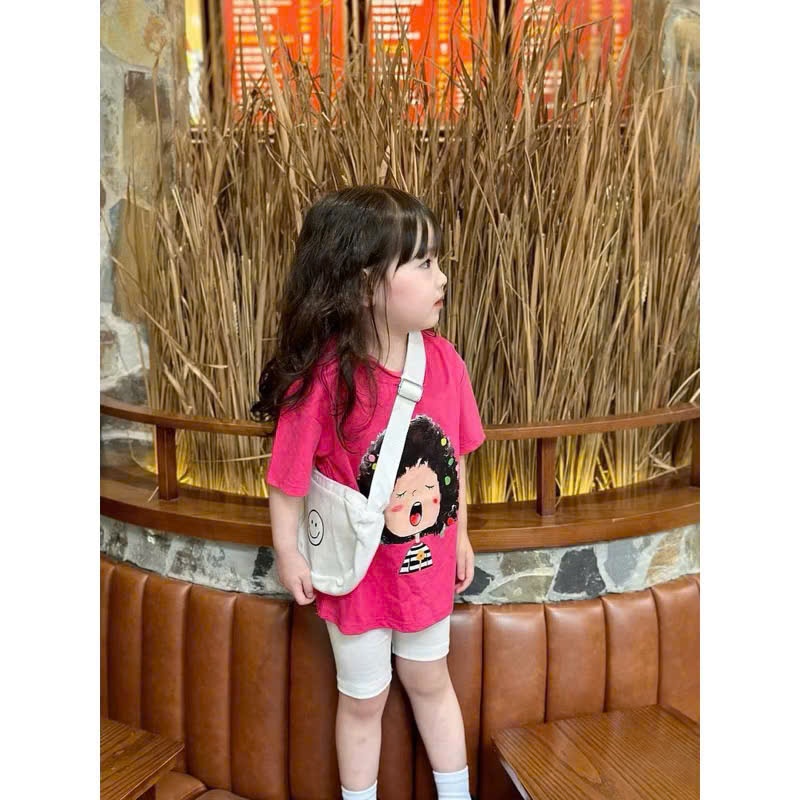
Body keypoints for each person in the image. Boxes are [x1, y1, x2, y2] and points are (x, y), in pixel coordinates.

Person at [251, 185, 486, 800]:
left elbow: (457, 455)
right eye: (423, 263)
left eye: (437, 260)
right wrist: (289, 552)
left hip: (426, 571)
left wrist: (461, 534)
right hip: (355, 577)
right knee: (363, 701)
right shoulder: (326, 378)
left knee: (431, 682)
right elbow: (287, 476)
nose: (442, 277)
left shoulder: (446, 363)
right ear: (365, 285)